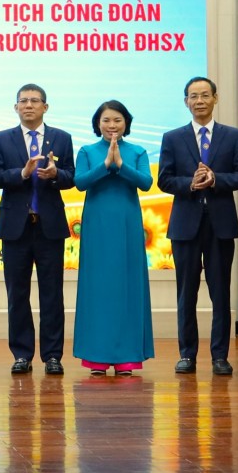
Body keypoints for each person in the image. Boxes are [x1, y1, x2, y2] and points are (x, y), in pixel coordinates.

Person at [157, 76, 238, 376]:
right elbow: (164, 179)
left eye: (205, 95)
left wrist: (216, 179)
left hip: (220, 224)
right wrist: (191, 184)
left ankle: (220, 356)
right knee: (187, 293)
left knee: (220, 293)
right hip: (185, 225)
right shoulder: (172, 138)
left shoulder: (233, 136)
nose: (199, 101)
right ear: (186, 102)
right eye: (193, 96)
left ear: (215, 99)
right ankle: (187, 354)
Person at [0, 83, 75, 375]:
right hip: (16, 228)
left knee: (52, 294)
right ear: (16, 107)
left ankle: (52, 356)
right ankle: (22, 354)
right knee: (17, 294)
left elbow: (71, 177)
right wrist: (22, 173)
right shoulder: (1, 139)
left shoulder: (62, 138)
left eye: (34, 101)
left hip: (50, 226)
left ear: (45, 107)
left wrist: (56, 174)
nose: (28, 105)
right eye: (23, 101)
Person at [72, 100, 155, 376]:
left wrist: (120, 165)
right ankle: (96, 356)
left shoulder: (138, 151)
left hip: (127, 225)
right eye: (106, 120)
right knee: (97, 288)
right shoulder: (87, 151)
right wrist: (106, 164)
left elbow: (146, 183)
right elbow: (80, 182)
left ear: (126, 123)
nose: (112, 125)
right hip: (97, 226)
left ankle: (127, 357)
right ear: (98, 124)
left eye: (117, 120)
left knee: (128, 286)